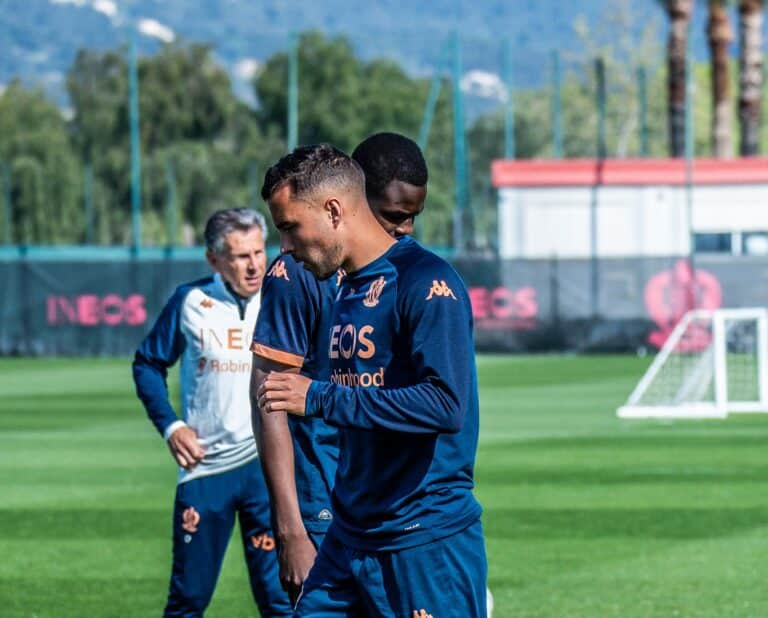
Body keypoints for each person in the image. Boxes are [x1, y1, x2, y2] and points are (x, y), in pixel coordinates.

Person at [257, 145, 487, 617]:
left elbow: (445, 405)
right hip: (350, 537)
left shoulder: (426, 282)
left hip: (422, 540)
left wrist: (318, 396)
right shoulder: (344, 286)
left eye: (289, 227)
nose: (284, 246)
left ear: (334, 210)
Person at [249, 132, 429, 606]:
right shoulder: (297, 274)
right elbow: (267, 398)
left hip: (390, 509)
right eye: (393, 216)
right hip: (321, 508)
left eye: (412, 217)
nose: (404, 229)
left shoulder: (410, 277)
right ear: (349, 205)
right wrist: (289, 527)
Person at [132, 208, 291, 617]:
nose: (255, 264)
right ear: (214, 260)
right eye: (241, 256)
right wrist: (171, 426)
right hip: (206, 472)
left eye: (259, 251)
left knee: (280, 599)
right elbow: (148, 364)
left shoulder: (283, 299)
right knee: (188, 600)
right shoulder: (191, 301)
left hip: (267, 471)